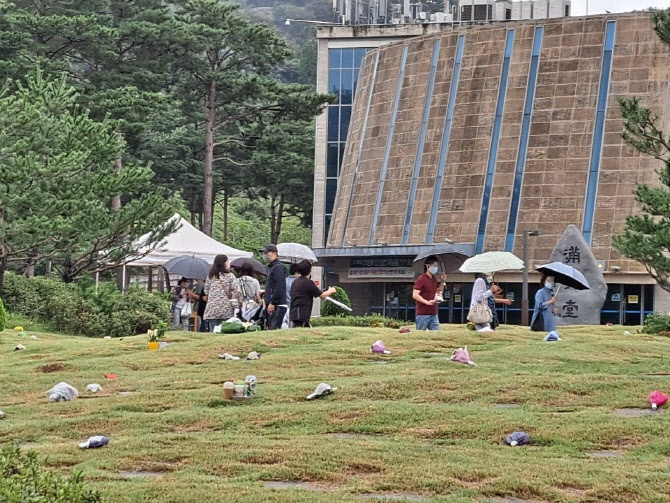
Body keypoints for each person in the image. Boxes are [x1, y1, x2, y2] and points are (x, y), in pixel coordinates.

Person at [289, 260, 337, 327]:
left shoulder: (295, 282)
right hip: (302, 314)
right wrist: (331, 290)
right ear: (310, 270)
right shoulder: (308, 283)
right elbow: (322, 295)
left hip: (293, 313)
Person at [203, 254, 243, 332]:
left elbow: (206, 291)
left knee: (213, 331)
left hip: (212, 308)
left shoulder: (211, 276)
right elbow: (237, 291)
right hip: (226, 308)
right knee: (225, 331)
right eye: (227, 261)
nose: (229, 263)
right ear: (223, 263)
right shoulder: (230, 276)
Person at [412, 256, 447, 331]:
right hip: (423, 314)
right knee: (421, 335)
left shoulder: (434, 279)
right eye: (434, 266)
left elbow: (439, 290)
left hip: (434, 313)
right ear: (428, 266)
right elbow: (415, 295)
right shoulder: (421, 279)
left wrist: (442, 281)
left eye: (437, 266)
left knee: (436, 336)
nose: (436, 268)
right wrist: (427, 302)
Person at [263, 244, 288, 330]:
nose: (265, 255)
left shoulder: (277, 267)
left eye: (267, 253)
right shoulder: (272, 267)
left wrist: (273, 302)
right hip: (273, 304)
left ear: (274, 253)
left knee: (274, 329)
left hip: (277, 305)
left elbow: (279, 286)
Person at [531, 275, 561, 340]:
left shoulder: (551, 293)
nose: (550, 283)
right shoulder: (540, 292)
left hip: (551, 320)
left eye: (552, 281)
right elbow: (539, 305)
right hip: (542, 320)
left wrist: (554, 310)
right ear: (544, 281)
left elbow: (552, 306)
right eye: (548, 281)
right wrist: (551, 301)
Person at [283, 262, 299, 329]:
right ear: (297, 272)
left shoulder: (284, 281)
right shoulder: (297, 283)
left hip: (284, 308)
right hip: (294, 309)